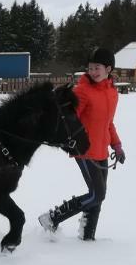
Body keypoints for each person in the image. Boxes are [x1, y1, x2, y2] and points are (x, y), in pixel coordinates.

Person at [38, 47, 126, 241]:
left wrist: (117, 146)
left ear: (108, 69)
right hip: (84, 150)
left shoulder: (112, 93)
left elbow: (108, 123)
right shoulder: (82, 92)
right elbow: (69, 120)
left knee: (98, 197)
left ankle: (87, 237)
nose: (93, 72)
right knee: (97, 195)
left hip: (102, 150)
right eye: (90, 68)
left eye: (97, 68)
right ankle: (52, 218)